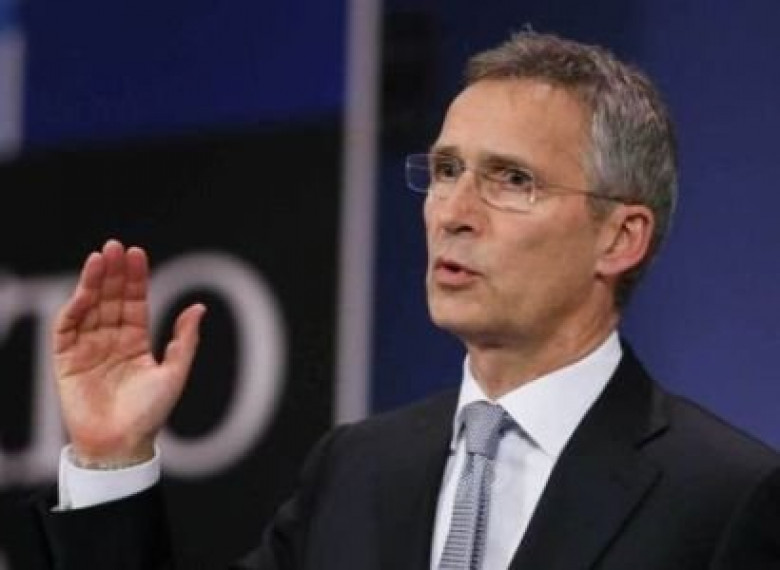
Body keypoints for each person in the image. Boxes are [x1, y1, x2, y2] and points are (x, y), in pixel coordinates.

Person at [33, 30, 780, 569]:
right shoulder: (355, 471)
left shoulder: (722, 496)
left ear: (620, 238)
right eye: (447, 169)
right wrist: (111, 461)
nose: (453, 212)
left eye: (512, 180)